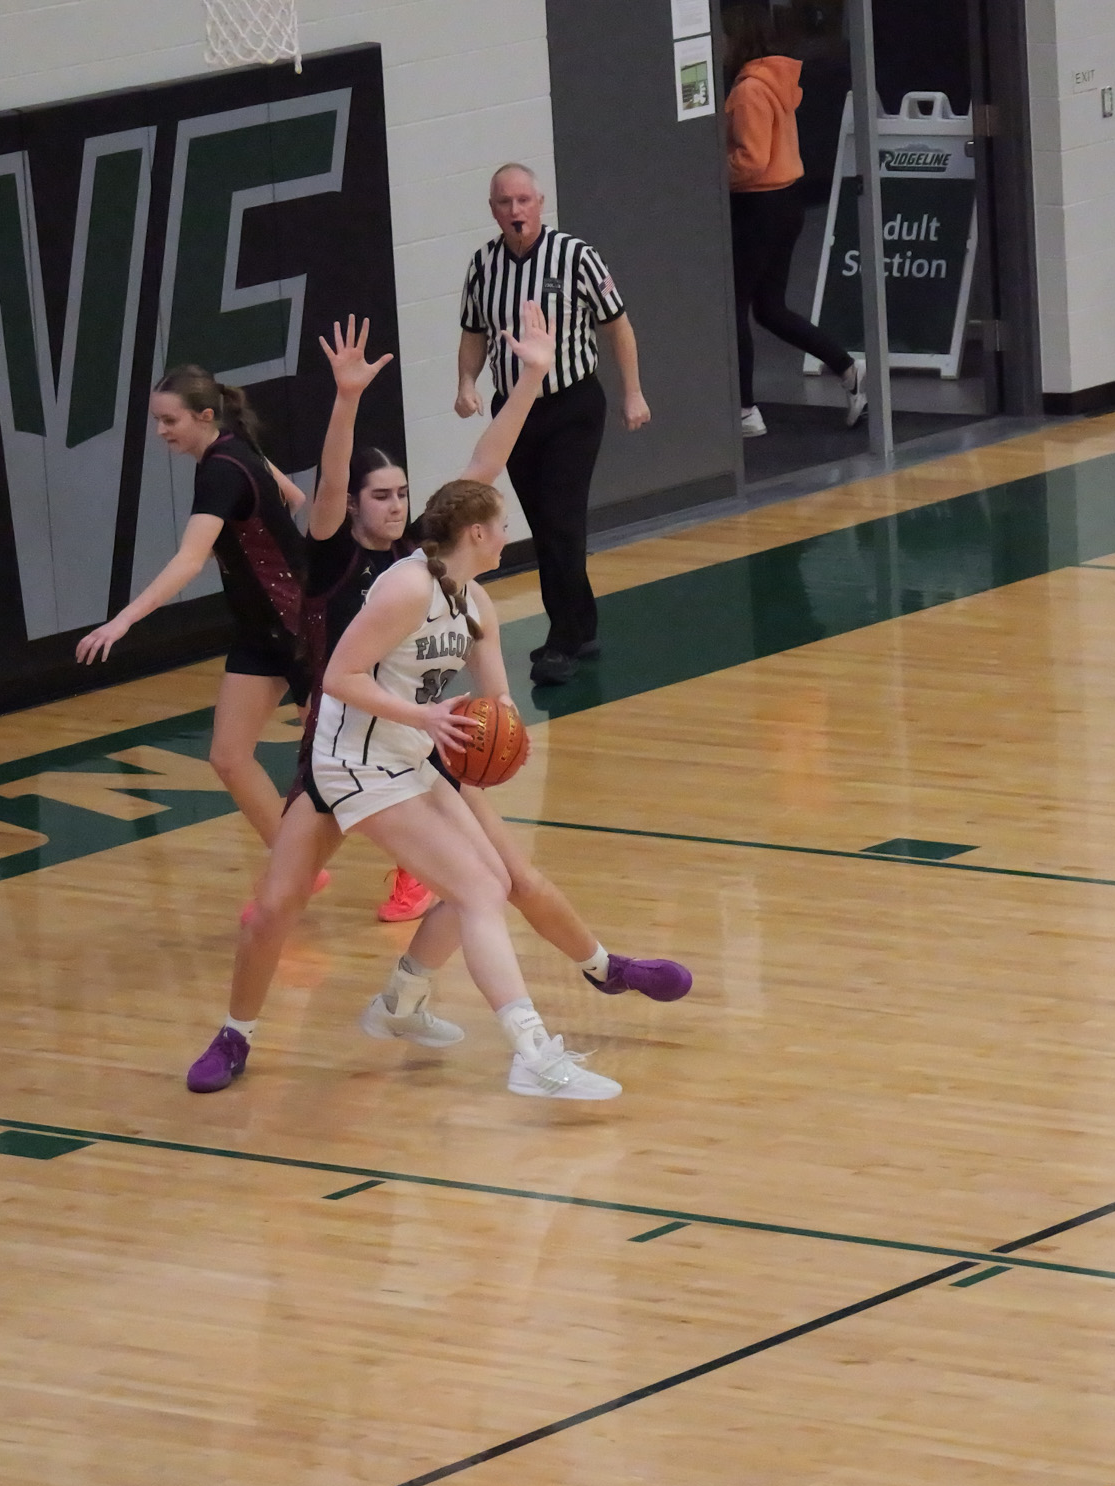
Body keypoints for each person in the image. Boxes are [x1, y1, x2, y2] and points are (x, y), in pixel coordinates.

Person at [186, 309, 689, 1098]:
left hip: (408, 749)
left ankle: (425, 998)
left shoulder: (443, 566)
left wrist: (530, 377)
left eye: (402, 495)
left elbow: (483, 467)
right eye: (380, 495)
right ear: (354, 505)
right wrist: (347, 398)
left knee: (494, 879)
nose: (394, 505)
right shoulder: (344, 559)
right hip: (345, 752)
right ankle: (237, 1032)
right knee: (279, 909)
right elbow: (333, 488)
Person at [77, 367, 313, 853]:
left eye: (170, 420)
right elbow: (293, 497)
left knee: (341, 763)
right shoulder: (234, 445)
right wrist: (255, 546)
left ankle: (417, 866)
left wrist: (122, 621)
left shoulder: (223, 469)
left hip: (301, 630)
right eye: (157, 420)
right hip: (259, 631)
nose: (160, 431)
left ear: (205, 415)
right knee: (228, 757)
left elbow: (189, 560)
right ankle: (294, 866)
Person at [456, 163, 649, 688]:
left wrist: (633, 391)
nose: (515, 211)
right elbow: (473, 333)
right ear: (492, 210)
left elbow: (618, 326)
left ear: (540, 203)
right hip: (514, 411)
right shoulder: (483, 265)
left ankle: (562, 640)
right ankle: (581, 626)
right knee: (544, 524)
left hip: (572, 405)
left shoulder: (576, 256)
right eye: (504, 203)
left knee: (562, 519)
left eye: (523, 200)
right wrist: (466, 382)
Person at [724, 3, 865, 439]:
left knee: (733, 308)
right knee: (769, 308)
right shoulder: (776, 81)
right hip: (788, 203)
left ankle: (746, 410)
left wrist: (710, 174)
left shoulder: (748, 90)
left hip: (757, 207)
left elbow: (751, 160)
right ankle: (847, 367)